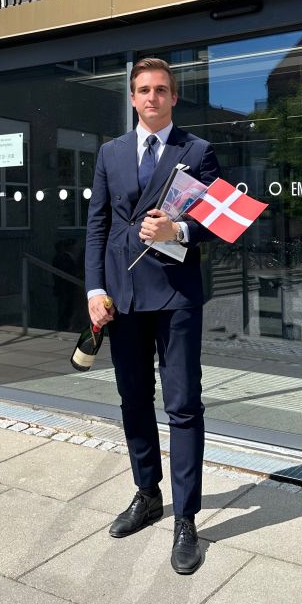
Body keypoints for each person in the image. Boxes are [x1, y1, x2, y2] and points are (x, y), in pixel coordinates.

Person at [85, 57, 219, 574]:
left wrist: (178, 231)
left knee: (184, 404)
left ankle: (186, 518)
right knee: (134, 398)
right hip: (122, 297)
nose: (152, 98)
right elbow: (96, 225)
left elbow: (215, 219)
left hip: (176, 296)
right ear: (132, 97)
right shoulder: (110, 153)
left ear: (173, 97)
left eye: (161, 90)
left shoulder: (198, 152)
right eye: (143, 90)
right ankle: (147, 494)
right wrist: (95, 288)